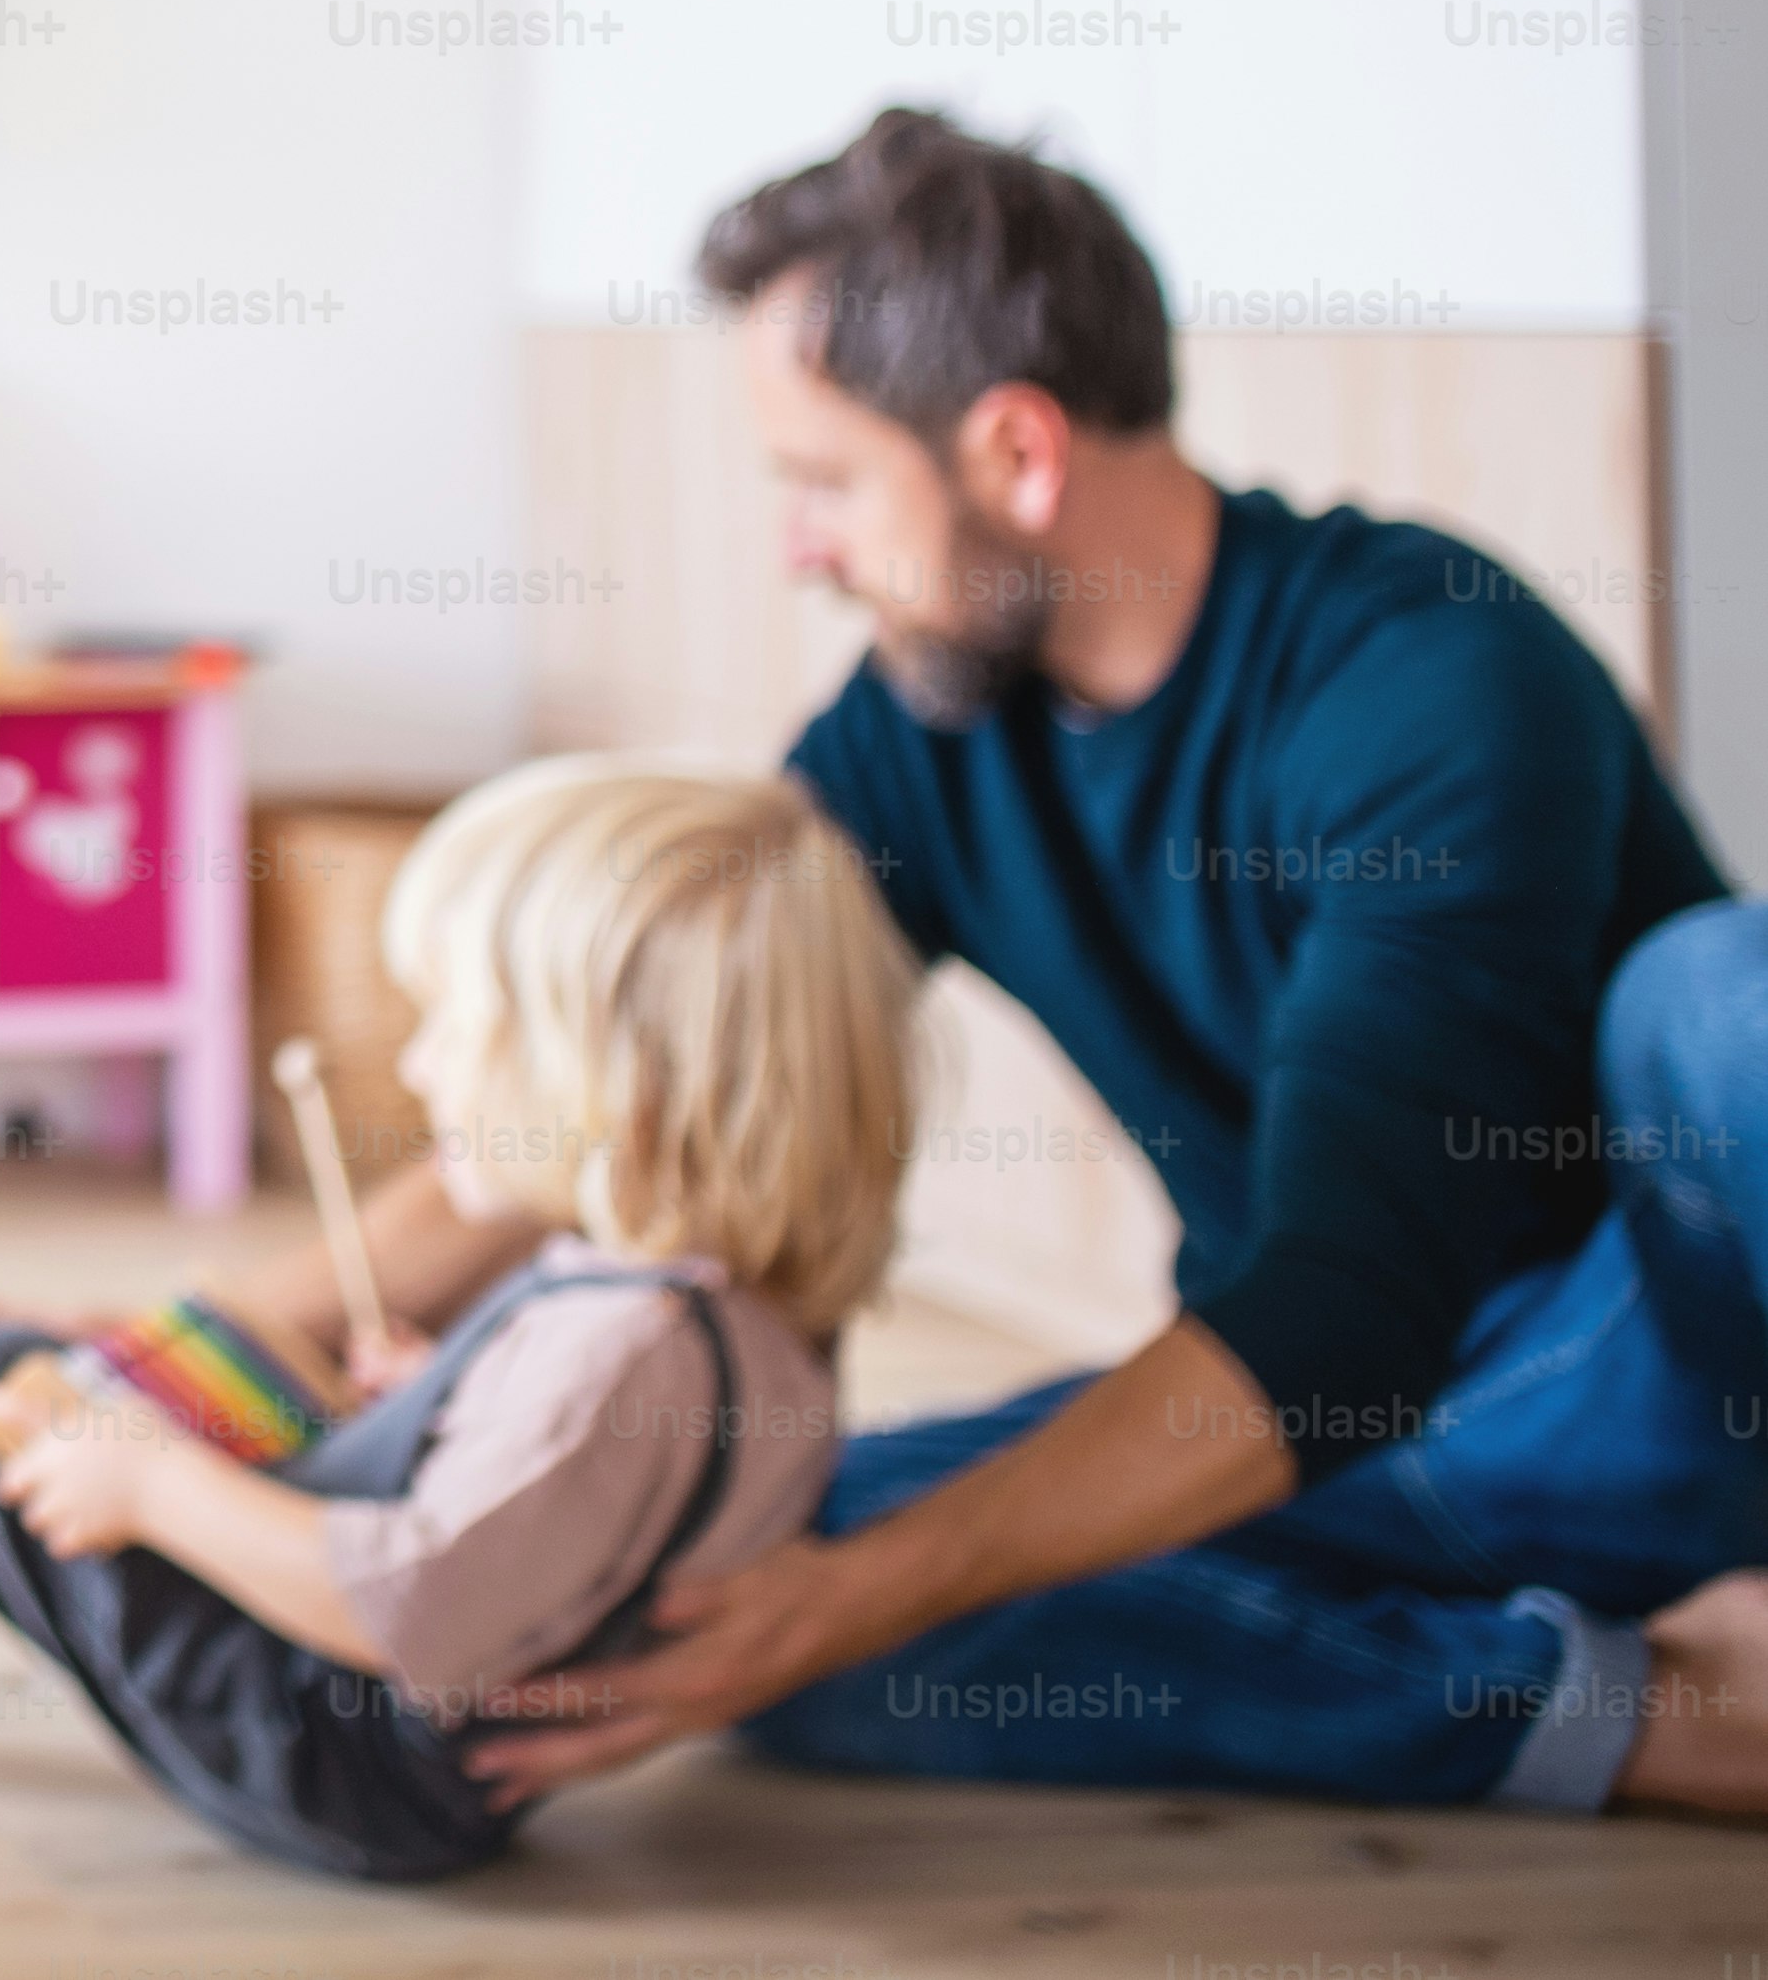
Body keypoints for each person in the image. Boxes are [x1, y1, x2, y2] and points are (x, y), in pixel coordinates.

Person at [475, 108, 1768, 1815]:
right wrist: (258, 1356)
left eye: (823, 484)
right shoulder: (924, 723)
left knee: (1724, 999)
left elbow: (1340, 1316)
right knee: (749, 1573)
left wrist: (870, 1597)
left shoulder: (1427, 679)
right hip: (1325, 1443)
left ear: (1015, 453)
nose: (799, 548)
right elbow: (647, 1048)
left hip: (1620, 1374)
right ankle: (1640, 1720)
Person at [0, 761, 918, 1878]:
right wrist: (420, 1408)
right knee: (27, 1372)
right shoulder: (720, 1317)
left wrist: (151, 1482)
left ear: (624, 1090)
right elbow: (558, 1530)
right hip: (376, 1727)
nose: (422, 1066)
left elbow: (408, 1610)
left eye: (463, 1029)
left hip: (336, 1754)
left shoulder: (621, 1348)